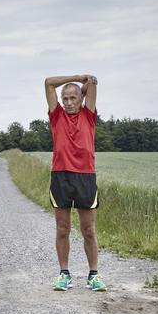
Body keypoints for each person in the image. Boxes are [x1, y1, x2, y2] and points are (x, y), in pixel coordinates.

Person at [44, 74, 107, 292]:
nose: (69, 102)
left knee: (88, 229)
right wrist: (79, 78)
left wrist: (87, 83)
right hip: (61, 176)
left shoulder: (88, 115)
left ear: (81, 99)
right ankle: (64, 274)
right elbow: (49, 83)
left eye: (74, 98)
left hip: (85, 176)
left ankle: (94, 275)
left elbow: (93, 84)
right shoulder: (57, 116)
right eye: (66, 98)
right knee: (62, 229)